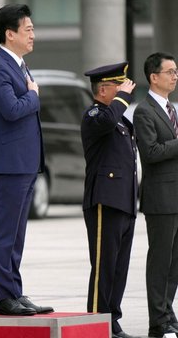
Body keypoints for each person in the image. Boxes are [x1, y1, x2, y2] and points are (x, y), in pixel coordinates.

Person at [0, 4, 53, 316]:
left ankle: (15, 290)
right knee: (4, 232)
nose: (32, 35)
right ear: (9, 34)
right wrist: (34, 96)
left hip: (25, 161)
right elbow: (12, 110)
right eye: (28, 30)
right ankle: (4, 296)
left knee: (17, 233)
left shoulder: (21, 65)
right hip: (10, 163)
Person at [80, 62, 138, 338]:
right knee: (104, 266)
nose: (126, 90)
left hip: (124, 200)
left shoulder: (119, 118)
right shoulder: (95, 114)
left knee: (119, 267)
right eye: (119, 86)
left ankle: (112, 319)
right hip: (105, 198)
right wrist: (122, 100)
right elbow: (104, 123)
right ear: (103, 90)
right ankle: (97, 320)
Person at [133, 52, 178, 338]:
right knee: (160, 261)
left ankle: (168, 315)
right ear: (154, 76)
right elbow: (149, 153)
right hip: (160, 198)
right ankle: (158, 322)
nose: (175, 76)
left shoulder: (171, 108)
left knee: (175, 263)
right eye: (170, 71)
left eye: (176, 71)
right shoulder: (144, 111)